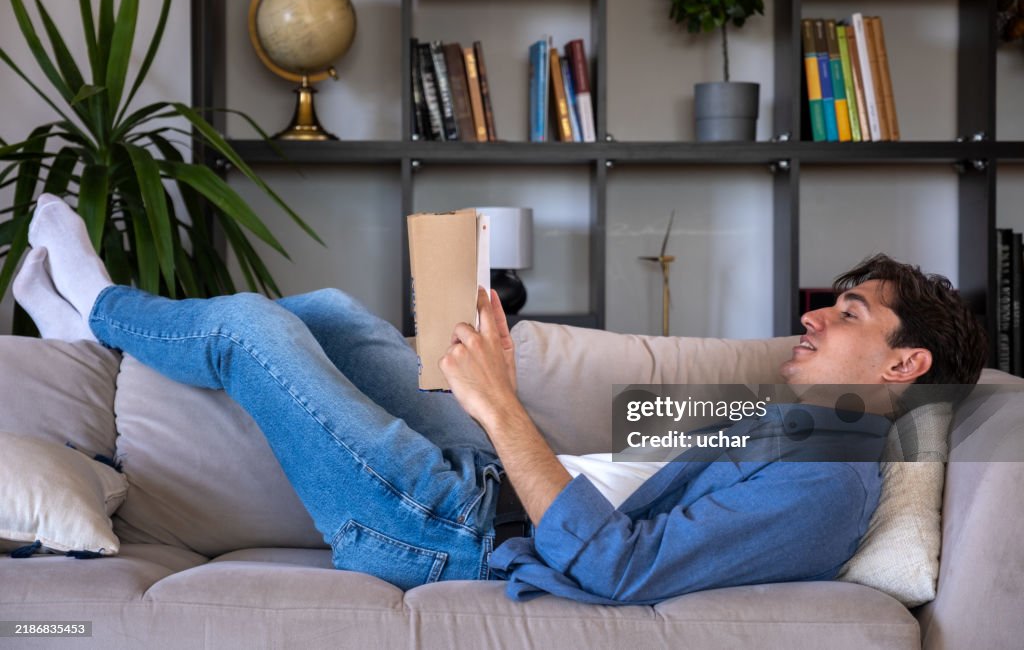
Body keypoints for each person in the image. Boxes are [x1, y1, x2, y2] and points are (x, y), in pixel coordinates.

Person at [12, 194, 987, 604]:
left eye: (849, 312)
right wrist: (505, 397)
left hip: (442, 532)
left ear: (903, 367)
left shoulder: (832, 481)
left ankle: (94, 308)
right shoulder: (792, 421)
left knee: (252, 332)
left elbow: (617, 563)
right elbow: (621, 469)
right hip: (489, 484)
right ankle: (94, 322)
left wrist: (499, 410)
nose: (815, 317)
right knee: (331, 312)